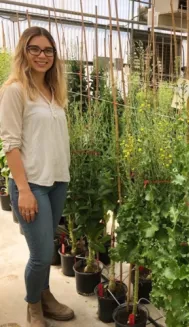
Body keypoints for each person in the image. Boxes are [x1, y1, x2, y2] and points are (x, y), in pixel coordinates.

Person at [0, 27, 74, 326]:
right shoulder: (15, 90)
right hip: (32, 185)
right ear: (24, 52)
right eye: (35, 49)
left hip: (57, 181)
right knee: (42, 255)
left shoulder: (55, 92)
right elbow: (10, 144)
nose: (42, 56)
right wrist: (24, 190)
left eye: (48, 50)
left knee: (49, 247)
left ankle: (45, 295)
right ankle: (33, 306)